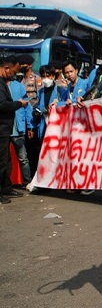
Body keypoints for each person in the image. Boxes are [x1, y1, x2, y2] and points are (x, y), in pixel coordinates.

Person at [0, 56, 29, 203]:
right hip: (2, 129)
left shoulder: (4, 82)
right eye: (12, 71)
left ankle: (6, 187)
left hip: (6, 129)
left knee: (7, 160)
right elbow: (3, 105)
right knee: (2, 161)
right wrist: (18, 103)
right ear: (6, 68)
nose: (13, 74)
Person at [8, 78, 33, 188]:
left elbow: (27, 107)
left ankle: (27, 182)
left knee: (23, 158)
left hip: (18, 129)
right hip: (5, 129)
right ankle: (5, 185)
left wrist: (30, 126)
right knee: (4, 159)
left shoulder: (18, 86)